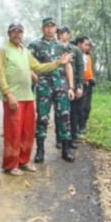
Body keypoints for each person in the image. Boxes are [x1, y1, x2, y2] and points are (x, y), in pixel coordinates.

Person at [0, 23, 71, 175]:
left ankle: (23, 161)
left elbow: (38, 67)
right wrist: (8, 93)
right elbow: (0, 74)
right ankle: (11, 165)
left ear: (23, 34)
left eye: (20, 32)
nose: (17, 35)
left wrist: (58, 63)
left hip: (28, 97)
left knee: (27, 132)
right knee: (13, 132)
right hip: (13, 97)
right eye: (14, 32)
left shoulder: (24, 50)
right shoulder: (4, 50)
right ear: (9, 34)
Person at [29, 17, 75, 163]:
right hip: (44, 86)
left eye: (52, 26)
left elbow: (68, 66)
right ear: (42, 28)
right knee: (42, 117)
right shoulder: (35, 45)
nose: (49, 29)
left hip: (61, 85)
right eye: (47, 26)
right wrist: (37, 80)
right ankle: (40, 150)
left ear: (56, 29)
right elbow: (29, 65)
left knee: (64, 116)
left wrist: (71, 87)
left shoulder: (63, 46)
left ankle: (66, 149)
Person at [58, 27, 84, 149]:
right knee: (60, 113)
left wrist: (79, 87)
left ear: (68, 35)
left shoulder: (75, 50)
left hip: (72, 85)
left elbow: (80, 68)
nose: (60, 35)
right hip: (59, 84)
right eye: (59, 33)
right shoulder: (56, 48)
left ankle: (72, 138)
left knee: (73, 113)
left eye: (63, 33)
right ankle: (60, 139)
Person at [76, 36, 95, 134]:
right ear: (79, 44)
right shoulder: (76, 55)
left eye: (89, 45)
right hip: (81, 83)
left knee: (87, 106)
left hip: (88, 83)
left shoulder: (88, 56)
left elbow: (89, 70)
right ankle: (79, 126)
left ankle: (83, 124)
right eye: (85, 45)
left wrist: (91, 78)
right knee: (80, 106)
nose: (88, 47)